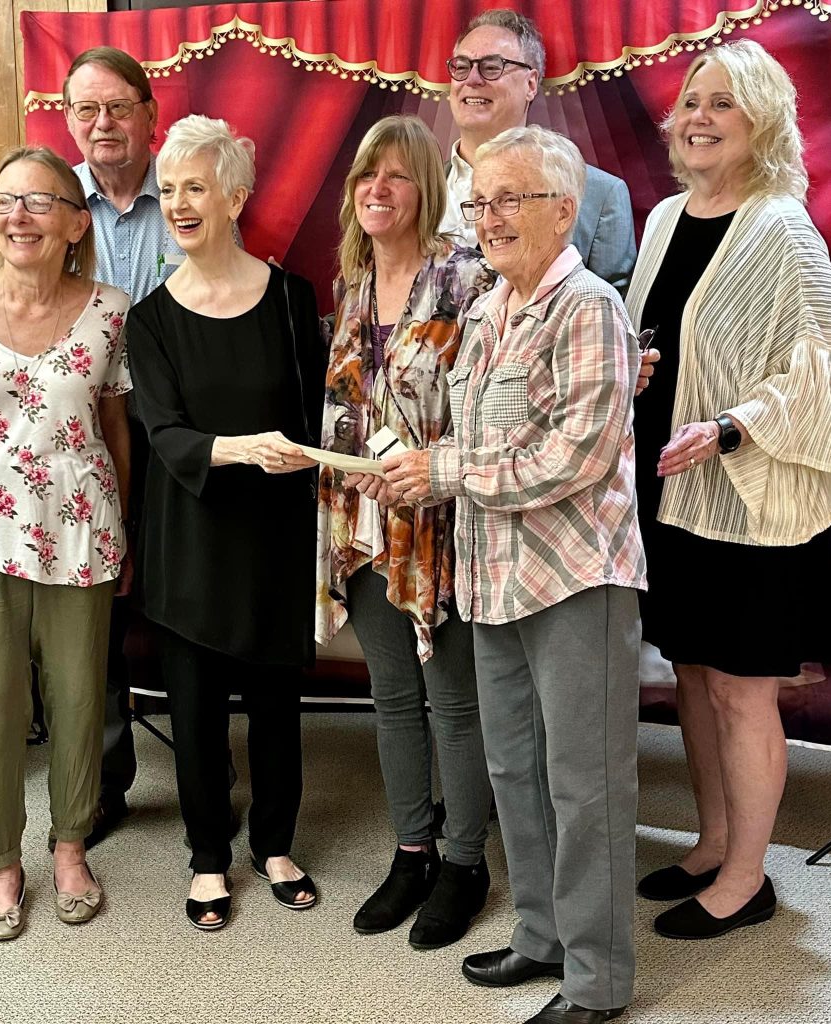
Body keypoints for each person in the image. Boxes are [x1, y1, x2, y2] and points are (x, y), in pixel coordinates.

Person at [385, 125, 646, 1023]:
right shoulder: (490, 307)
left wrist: (446, 471)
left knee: (586, 785)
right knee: (515, 773)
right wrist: (414, 466)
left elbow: (576, 456)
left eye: (508, 200)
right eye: (479, 202)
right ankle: (541, 935)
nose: (487, 218)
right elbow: (475, 443)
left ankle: (598, 982)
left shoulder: (589, 308)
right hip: (494, 579)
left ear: (563, 210)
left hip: (576, 580)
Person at [625, 40, 831, 939]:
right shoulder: (666, 218)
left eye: (723, 103)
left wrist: (731, 426)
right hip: (670, 492)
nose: (698, 118)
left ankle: (748, 879)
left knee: (742, 692)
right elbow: (661, 335)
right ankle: (713, 843)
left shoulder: (784, 228)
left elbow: (821, 370)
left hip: (748, 499)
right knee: (693, 673)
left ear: (764, 120)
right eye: (691, 102)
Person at [0, 145, 132, 939]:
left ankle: (70, 847)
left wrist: (124, 533)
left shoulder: (111, 309)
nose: (18, 216)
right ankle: (1, 863)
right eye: (6, 200)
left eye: (40, 202)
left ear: (76, 223)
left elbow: (114, 429)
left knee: (78, 699)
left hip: (81, 532)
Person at [125, 115, 322, 930]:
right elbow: (166, 434)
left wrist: (306, 456)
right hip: (190, 539)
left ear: (235, 198)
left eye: (195, 188)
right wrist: (244, 449)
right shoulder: (149, 319)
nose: (178, 203)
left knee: (277, 705)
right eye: (169, 189)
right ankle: (208, 856)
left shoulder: (291, 300)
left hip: (274, 538)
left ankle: (275, 844)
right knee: (197, 711)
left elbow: (316, 420)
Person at [315, 114, 497, 951]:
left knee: (454, 702)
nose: (377, 189)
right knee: (391, 697)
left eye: (394, 175)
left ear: (425, 187)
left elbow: (490, 406)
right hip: (361, 523)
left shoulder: (466, 278)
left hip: (440, 521)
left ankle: (465, 862)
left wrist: (427, 467)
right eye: (366, 174)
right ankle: (413, 850)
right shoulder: (352, 284)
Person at [63, 46, 240, 843]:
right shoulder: (55, 201)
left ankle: (207, 764)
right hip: (81, 437)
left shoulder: (186, 190)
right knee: (92, 612)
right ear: (70, 120)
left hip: (176, 433)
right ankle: (106, 781)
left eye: (117, 107)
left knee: (188, 600)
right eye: (86, 109)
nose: (102, 123)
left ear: (149, 114)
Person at [441, 8, 636, 295]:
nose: (471, 79)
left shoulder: (599, 196)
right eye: (461, 66)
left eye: (491, 67)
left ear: (531, 84)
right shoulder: (413, 188)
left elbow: (610, 313)